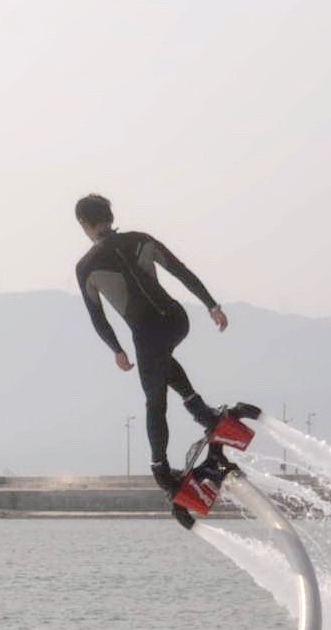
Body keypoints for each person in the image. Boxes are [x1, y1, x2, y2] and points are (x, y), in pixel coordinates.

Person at [72, 193, 237, 490]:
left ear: (84, 224)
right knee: (160, 362)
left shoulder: (86, 267)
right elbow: (181, 271)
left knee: (155, 402)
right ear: (110, 216)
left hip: (147, 333)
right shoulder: (141, 239)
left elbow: (97, 317)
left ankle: (162, 471)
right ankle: (201, 410)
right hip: (176, 321)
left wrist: (117, 349)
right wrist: (212, 305)